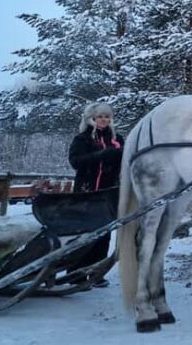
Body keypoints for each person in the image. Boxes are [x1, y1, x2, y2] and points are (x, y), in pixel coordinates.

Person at [67, 101, 125, 284]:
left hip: (108, 194)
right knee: (85, 233)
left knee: (104, 234)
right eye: (100, 116)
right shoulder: (82, 139)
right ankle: (76, 273)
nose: (104, 120)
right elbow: (76, 162)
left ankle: (96, 273)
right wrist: (100, 155)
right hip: (86, 193)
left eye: (107, 116)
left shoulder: (117, 140)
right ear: (91, 118)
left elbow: (126, 163)